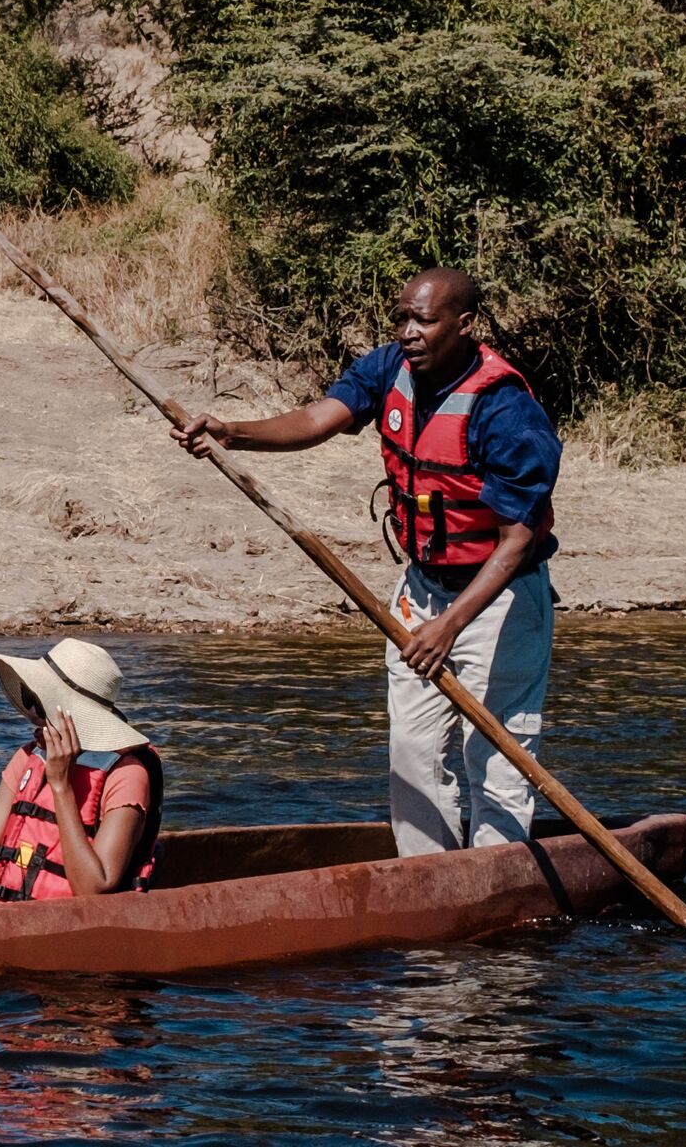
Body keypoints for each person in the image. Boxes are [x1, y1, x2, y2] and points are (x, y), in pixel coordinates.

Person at [174, 265, 561, 854]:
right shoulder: (389, 368)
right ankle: (428, 882)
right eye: (401, 317)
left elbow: (516, 542)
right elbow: (315, 420)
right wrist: (233, 432)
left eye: (423, 321)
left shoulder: (506, 411)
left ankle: (495, 882)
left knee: (497, 755)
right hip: (424, 588)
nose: (408, 331)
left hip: (500, 597)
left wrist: (450, 626)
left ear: (465, 325)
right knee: (413, 752)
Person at [0, 638, 164, 905]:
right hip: (6, 922)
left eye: (39, 702)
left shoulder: (126, 774)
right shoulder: (27, 758)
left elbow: (93, 890)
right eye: (31, 698)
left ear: (72, 716)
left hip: (75, 931)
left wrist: (61, 786)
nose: (31, 715)